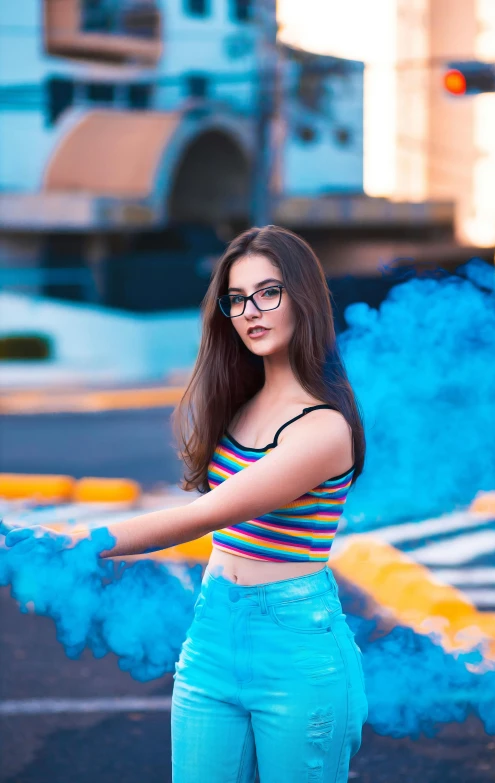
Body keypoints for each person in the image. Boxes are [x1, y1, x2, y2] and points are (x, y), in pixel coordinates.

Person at [2, 225, 368, 782]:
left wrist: (73, 543)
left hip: (297, 648)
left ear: (304, 297)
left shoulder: (324, 429)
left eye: (269, 292)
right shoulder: (239, 404)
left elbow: (206, 515)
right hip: (212, 635)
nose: (251, 311)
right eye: (237, 299)